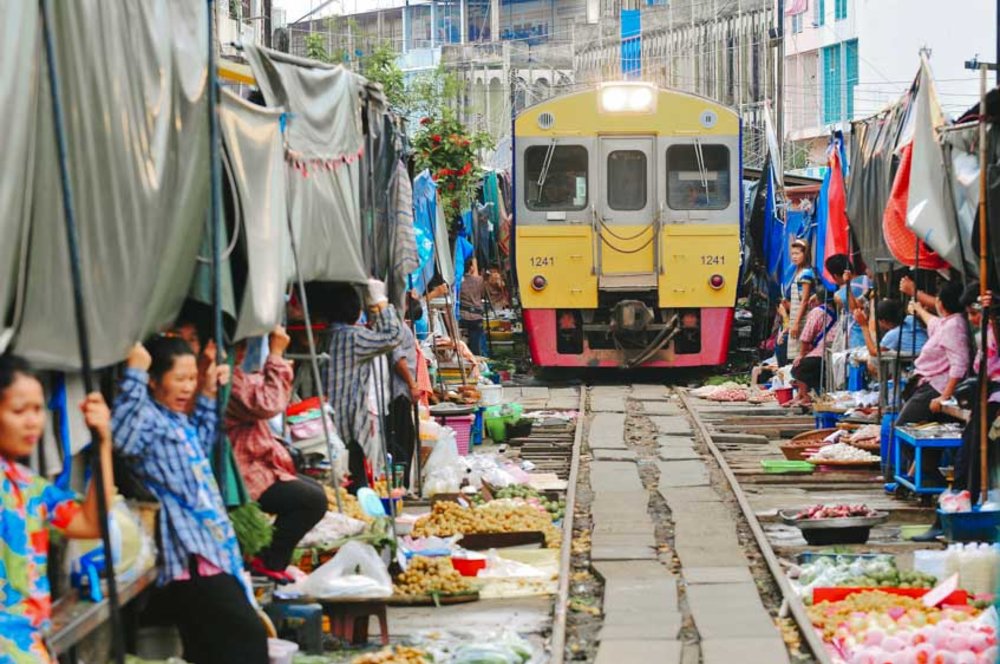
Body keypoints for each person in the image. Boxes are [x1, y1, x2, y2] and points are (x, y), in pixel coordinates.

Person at [112, 338, 267, 664]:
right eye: (179, 379)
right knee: (248, 638)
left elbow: (203, 438)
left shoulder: (176, 420)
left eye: (190, 379)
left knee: (208, 649)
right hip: (191, 558)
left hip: (213, 549)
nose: (186, 388)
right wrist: (135, 374)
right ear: (155, 381)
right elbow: (121, 437)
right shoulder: (146, 419)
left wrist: (208, 393)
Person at [0, 356, 116, 663]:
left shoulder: (29, 487)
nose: (33, 421)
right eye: (19, 410)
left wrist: (103, 444)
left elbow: (92, 523)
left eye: (38, 409)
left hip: (29, 646)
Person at [227, 325, 326, 583]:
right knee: (311, 500)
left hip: (255, 462)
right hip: (239, 470)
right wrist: (276, 354)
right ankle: (267, 561)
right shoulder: (224, 379)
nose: (241, 353)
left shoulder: (232, 375)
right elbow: (268, 403)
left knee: (312, 492)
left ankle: (269, 558)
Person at [327, 280, 404, 493]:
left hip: (322, 424)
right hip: (349, 426)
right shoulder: (352, 337)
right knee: (356, 484)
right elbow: (393, 336)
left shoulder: (321, 336)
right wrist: (380, 302)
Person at [896, 280, 970, 491]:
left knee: (904, 427)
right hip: (929, 384)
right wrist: (919, 308)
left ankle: (928, 476)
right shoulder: (948, 322)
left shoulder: (955, 326)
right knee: (926, 434)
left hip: (937, 387)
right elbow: (933, 322)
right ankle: (920, 477)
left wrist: (944, 396)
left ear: (941, 303)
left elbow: (959, 363)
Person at [388, 295, 424, 489]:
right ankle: (400, 486)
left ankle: (402, 485)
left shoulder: (398, 326)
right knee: (402, 442)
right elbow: (398, 359)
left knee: (405, 440)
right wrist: (412, 384)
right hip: (398, 392)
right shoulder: (397, 327)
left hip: (399, 391)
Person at [790, 285, 838, 406]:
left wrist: (801, 355)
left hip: (820, 354)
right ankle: (801, 395)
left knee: (798, 367)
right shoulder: (834, 310)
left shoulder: (817, 312)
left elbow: (806, 336)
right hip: (831, 352)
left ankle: (805, 396)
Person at [854, 298, 928, 358]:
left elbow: (874, 352)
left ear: (884, 321)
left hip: (921, 359)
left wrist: (863, 325)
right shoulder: (910, 319)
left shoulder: (894, 334)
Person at [784, 239, 816, 362]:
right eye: (792, 254)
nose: (794, 257)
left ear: (805, 254)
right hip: (795, 316)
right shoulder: (796, 272)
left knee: (800, 352)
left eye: (798, 253)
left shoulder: (806, 273)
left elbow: (805, 300)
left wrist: (796, 323)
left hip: (802, 318)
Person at [459, 258, 486, 357]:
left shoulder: (459, 282)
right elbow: (483, 294)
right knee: (476, 346)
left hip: (463, 316)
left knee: (462, 345)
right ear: (471, 268)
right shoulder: (479, 280)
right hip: (476, 317)